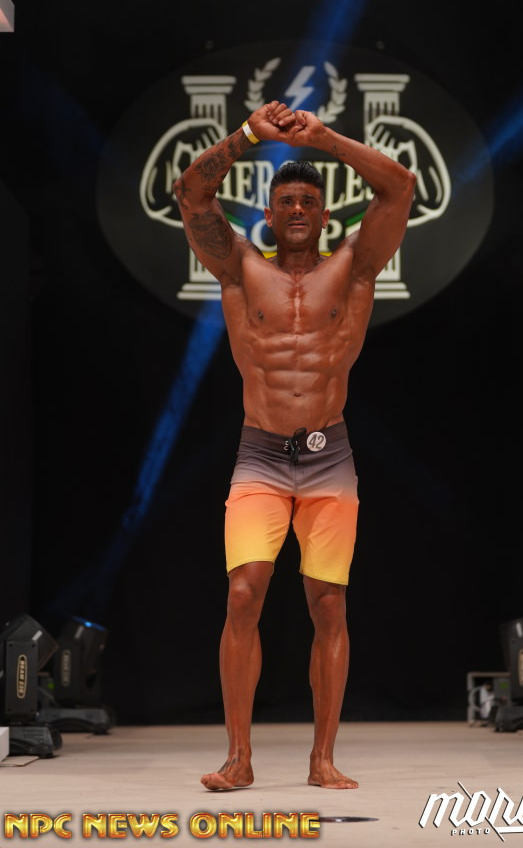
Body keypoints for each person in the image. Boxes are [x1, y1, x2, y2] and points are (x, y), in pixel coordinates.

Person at [173, 101, 415, 790]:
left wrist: (324, 138)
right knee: (242, 594)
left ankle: (322, 758)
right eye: (288, 202)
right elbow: (191, 193)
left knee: (328, 605)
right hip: (260, 454)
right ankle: (239, 757)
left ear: (326, 215)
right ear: (269, 215)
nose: (300, 209)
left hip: (328, 455)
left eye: (309, 201)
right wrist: (249, 134)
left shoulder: (355, 268)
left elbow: (400, 186)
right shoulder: (240, 268)